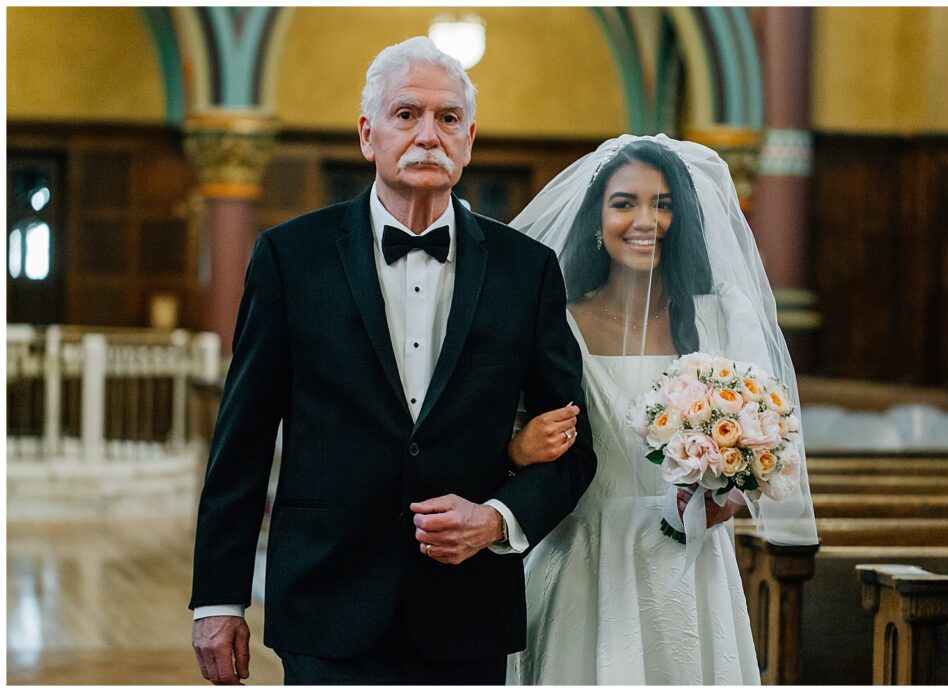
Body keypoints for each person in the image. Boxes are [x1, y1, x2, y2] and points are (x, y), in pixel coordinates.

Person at [188, 36, 596, 686]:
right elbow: (242, 441)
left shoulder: (528, 271)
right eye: (407, 114)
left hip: (468, 608)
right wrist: (218, 597)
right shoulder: (291, 259)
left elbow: (575, 448)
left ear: (469, 140)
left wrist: (497, 520)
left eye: (448, 118)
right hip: (327, 596)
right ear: (367, 133)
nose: (428, 136)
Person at [505, 135, 818, 684]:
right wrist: (518, 445)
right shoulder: (558, 317)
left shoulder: (720, 314)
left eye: (663, 203)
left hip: (688, 559)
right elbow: (507, 426)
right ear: (597, 219)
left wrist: (733, 491)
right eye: (624, 202)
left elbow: (770, 437)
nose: (644, 219)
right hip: (581, 547)